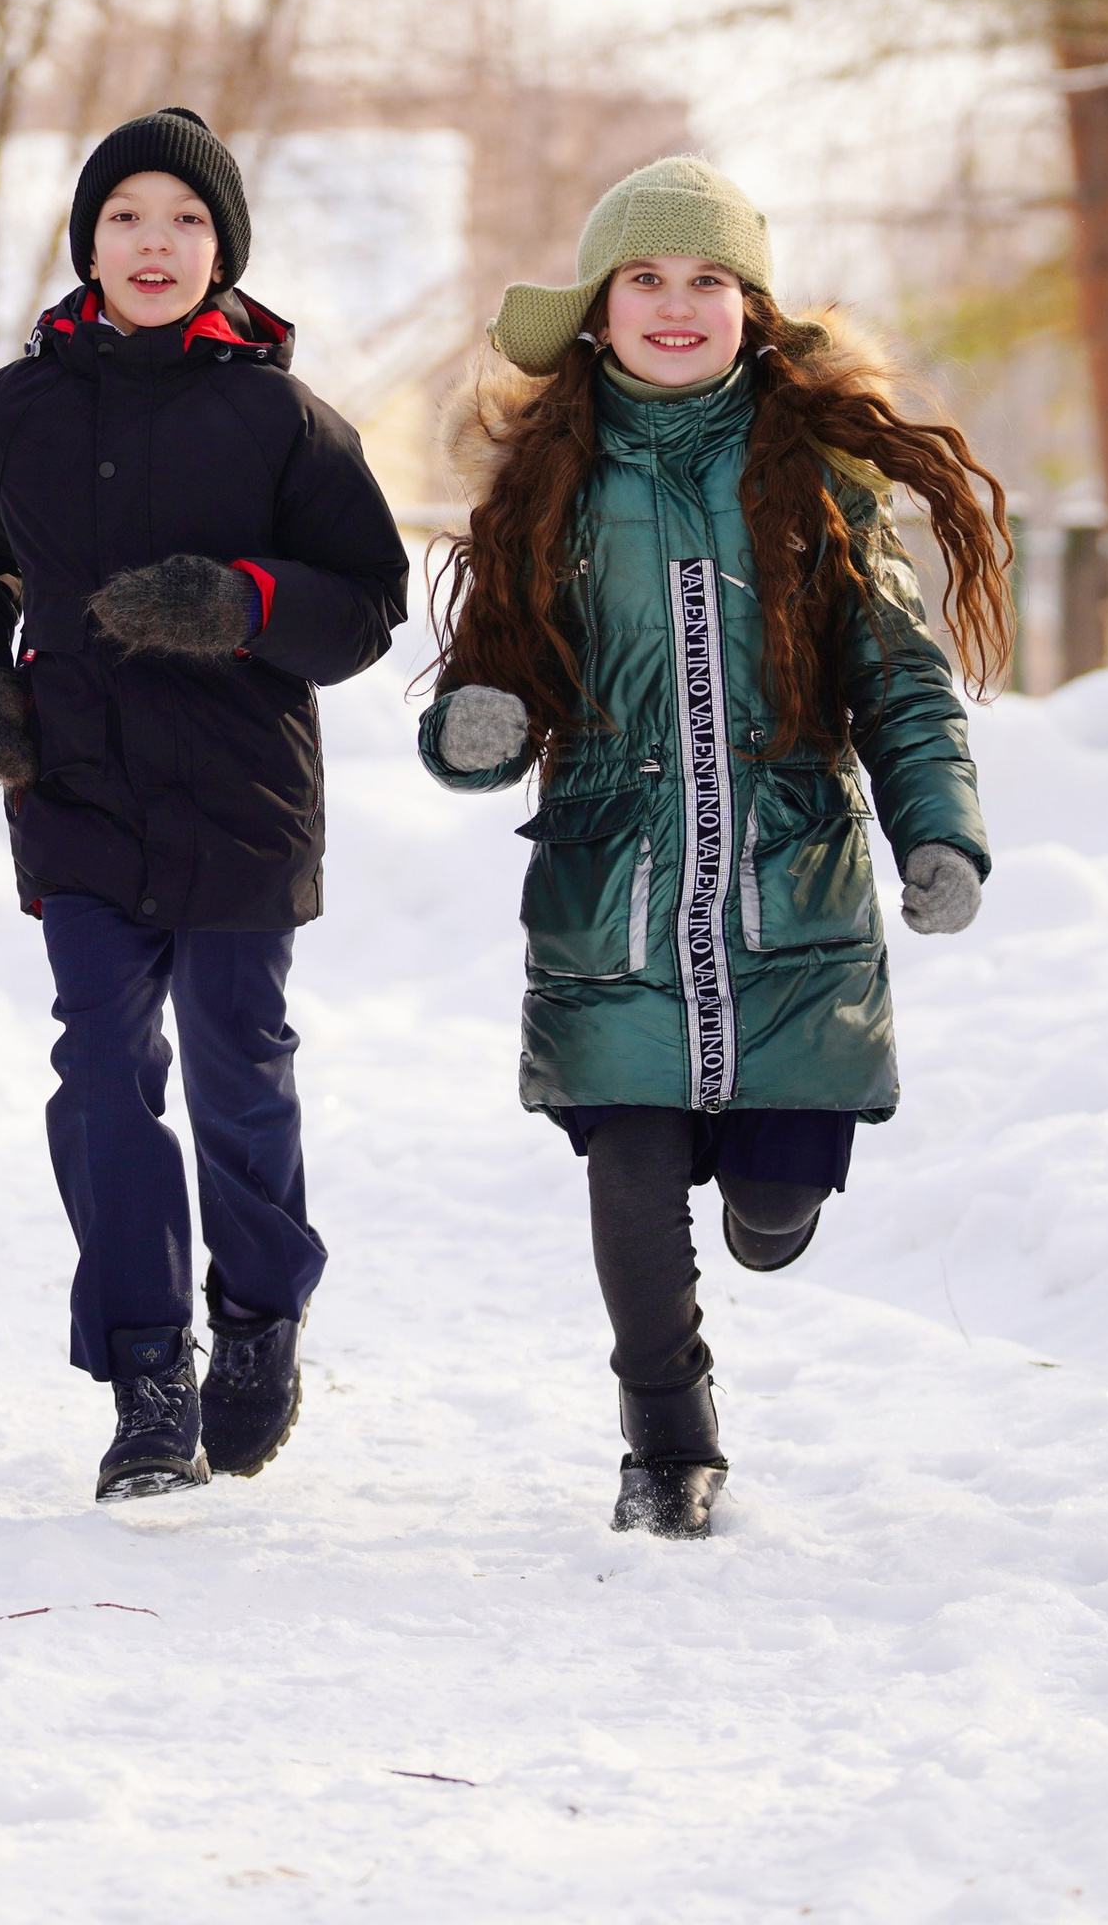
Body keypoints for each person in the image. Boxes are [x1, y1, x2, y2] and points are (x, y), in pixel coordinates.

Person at [422, 156, 1007, 1538]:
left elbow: (904, 680)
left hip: (791, 894)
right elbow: (489, 687)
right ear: (598, 310)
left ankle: (774, 1201)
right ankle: (666, 1439)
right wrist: (476, 729)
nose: (675, 307)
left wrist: (943, 831)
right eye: (645, 281)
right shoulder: (546, 490)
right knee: (626, 1175)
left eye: (706, 282)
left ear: (750, 310)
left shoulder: (819, 484)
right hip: (610, 888)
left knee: (773, 1196)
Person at [0, 108, 408, 1502]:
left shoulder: (282, 419)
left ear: (223, 251)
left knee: (236, 1057)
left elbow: (368, 603)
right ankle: (147, 1373)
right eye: (128, 217)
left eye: (186, 222)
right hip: (73, 789)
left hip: (244, 797)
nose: (155, 243)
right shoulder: (16, 410)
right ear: (88, 244)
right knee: (104, 1071)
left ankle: (259, 1314)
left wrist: (242, 602)